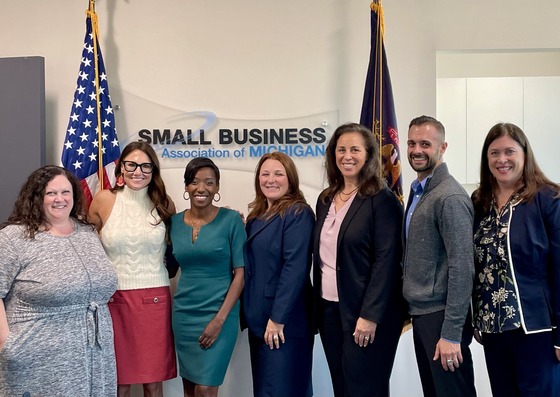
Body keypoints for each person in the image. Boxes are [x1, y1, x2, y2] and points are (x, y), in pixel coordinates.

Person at [0, 165, 118, 396]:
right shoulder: (13, 238)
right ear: (36, 198)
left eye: (65, 192)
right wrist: (7, 345)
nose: (59, 199)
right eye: (51, 193)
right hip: (37, 356)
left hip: (95, 354)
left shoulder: (87, 232)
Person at [313, 123, 406, 397]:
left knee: (366, 389)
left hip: (366, 315)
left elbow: (387, 262)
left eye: (355, 149)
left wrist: (369, 316)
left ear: (368, 155)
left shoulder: (382, 199)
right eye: (341, 149)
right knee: (341, 386)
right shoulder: (326, 198)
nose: (347, 156)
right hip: (330, 311)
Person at [471, 122, 560, 397]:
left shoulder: (548, 197)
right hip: (493, 330)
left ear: (524, 154)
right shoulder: (479, 202)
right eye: (494, 153)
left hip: (537, 329)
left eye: (509, 151)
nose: (502, 160)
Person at [89, 142, 177, 397]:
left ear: (153, 170)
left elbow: (181, 242)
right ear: (122, 167)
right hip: (114, 300)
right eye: (132, 164)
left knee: (152, 382)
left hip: (155, 299)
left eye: (145, 166)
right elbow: (86, 245)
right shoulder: (104, 199)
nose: (138, 171)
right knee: (119, 382)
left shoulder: (163, 202)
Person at [403, 115, 476, 397]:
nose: (416, 150)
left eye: (425, 144)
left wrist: (451, 333)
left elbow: (462, 267)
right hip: (423, 315)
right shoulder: (419, 191)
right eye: (411, 143)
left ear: (442, 148)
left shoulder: (449, 198)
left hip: (441, 317)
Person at [168, 157, 245, 397]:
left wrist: (219, 320)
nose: (201, 188)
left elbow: (241, 274)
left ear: (217, 187)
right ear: (186, 186)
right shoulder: (174, 223)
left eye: (209, 182)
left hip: (220, 314)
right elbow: (167, 266)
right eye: (194, 182)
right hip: (184, 316)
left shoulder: (232, 220)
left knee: (206, 388)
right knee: (190, 388)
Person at [242, 151, 315, 397]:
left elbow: (295, 268)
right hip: (259, 320)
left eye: (278, 174)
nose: (270, 180)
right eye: (265, 174)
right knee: (265, 389)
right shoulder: (257, 217)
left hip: (284, 322)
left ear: (290, 179)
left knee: (283, 389)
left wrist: (278, 318)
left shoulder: (297, 213)